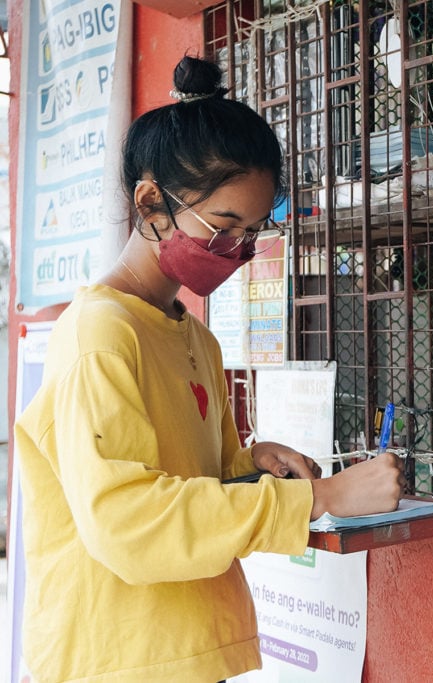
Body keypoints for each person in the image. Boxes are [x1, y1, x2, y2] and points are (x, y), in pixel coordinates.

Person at [13, 56, 404, 683]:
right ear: (151, 204)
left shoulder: (195, 337)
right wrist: (319, 499)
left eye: (252, 233)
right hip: (118, 661)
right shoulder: (100, 335)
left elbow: (192, 481)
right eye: (223, 228)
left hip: (181, 652)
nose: (239, 253)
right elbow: (129, 523)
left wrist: (250, 463)